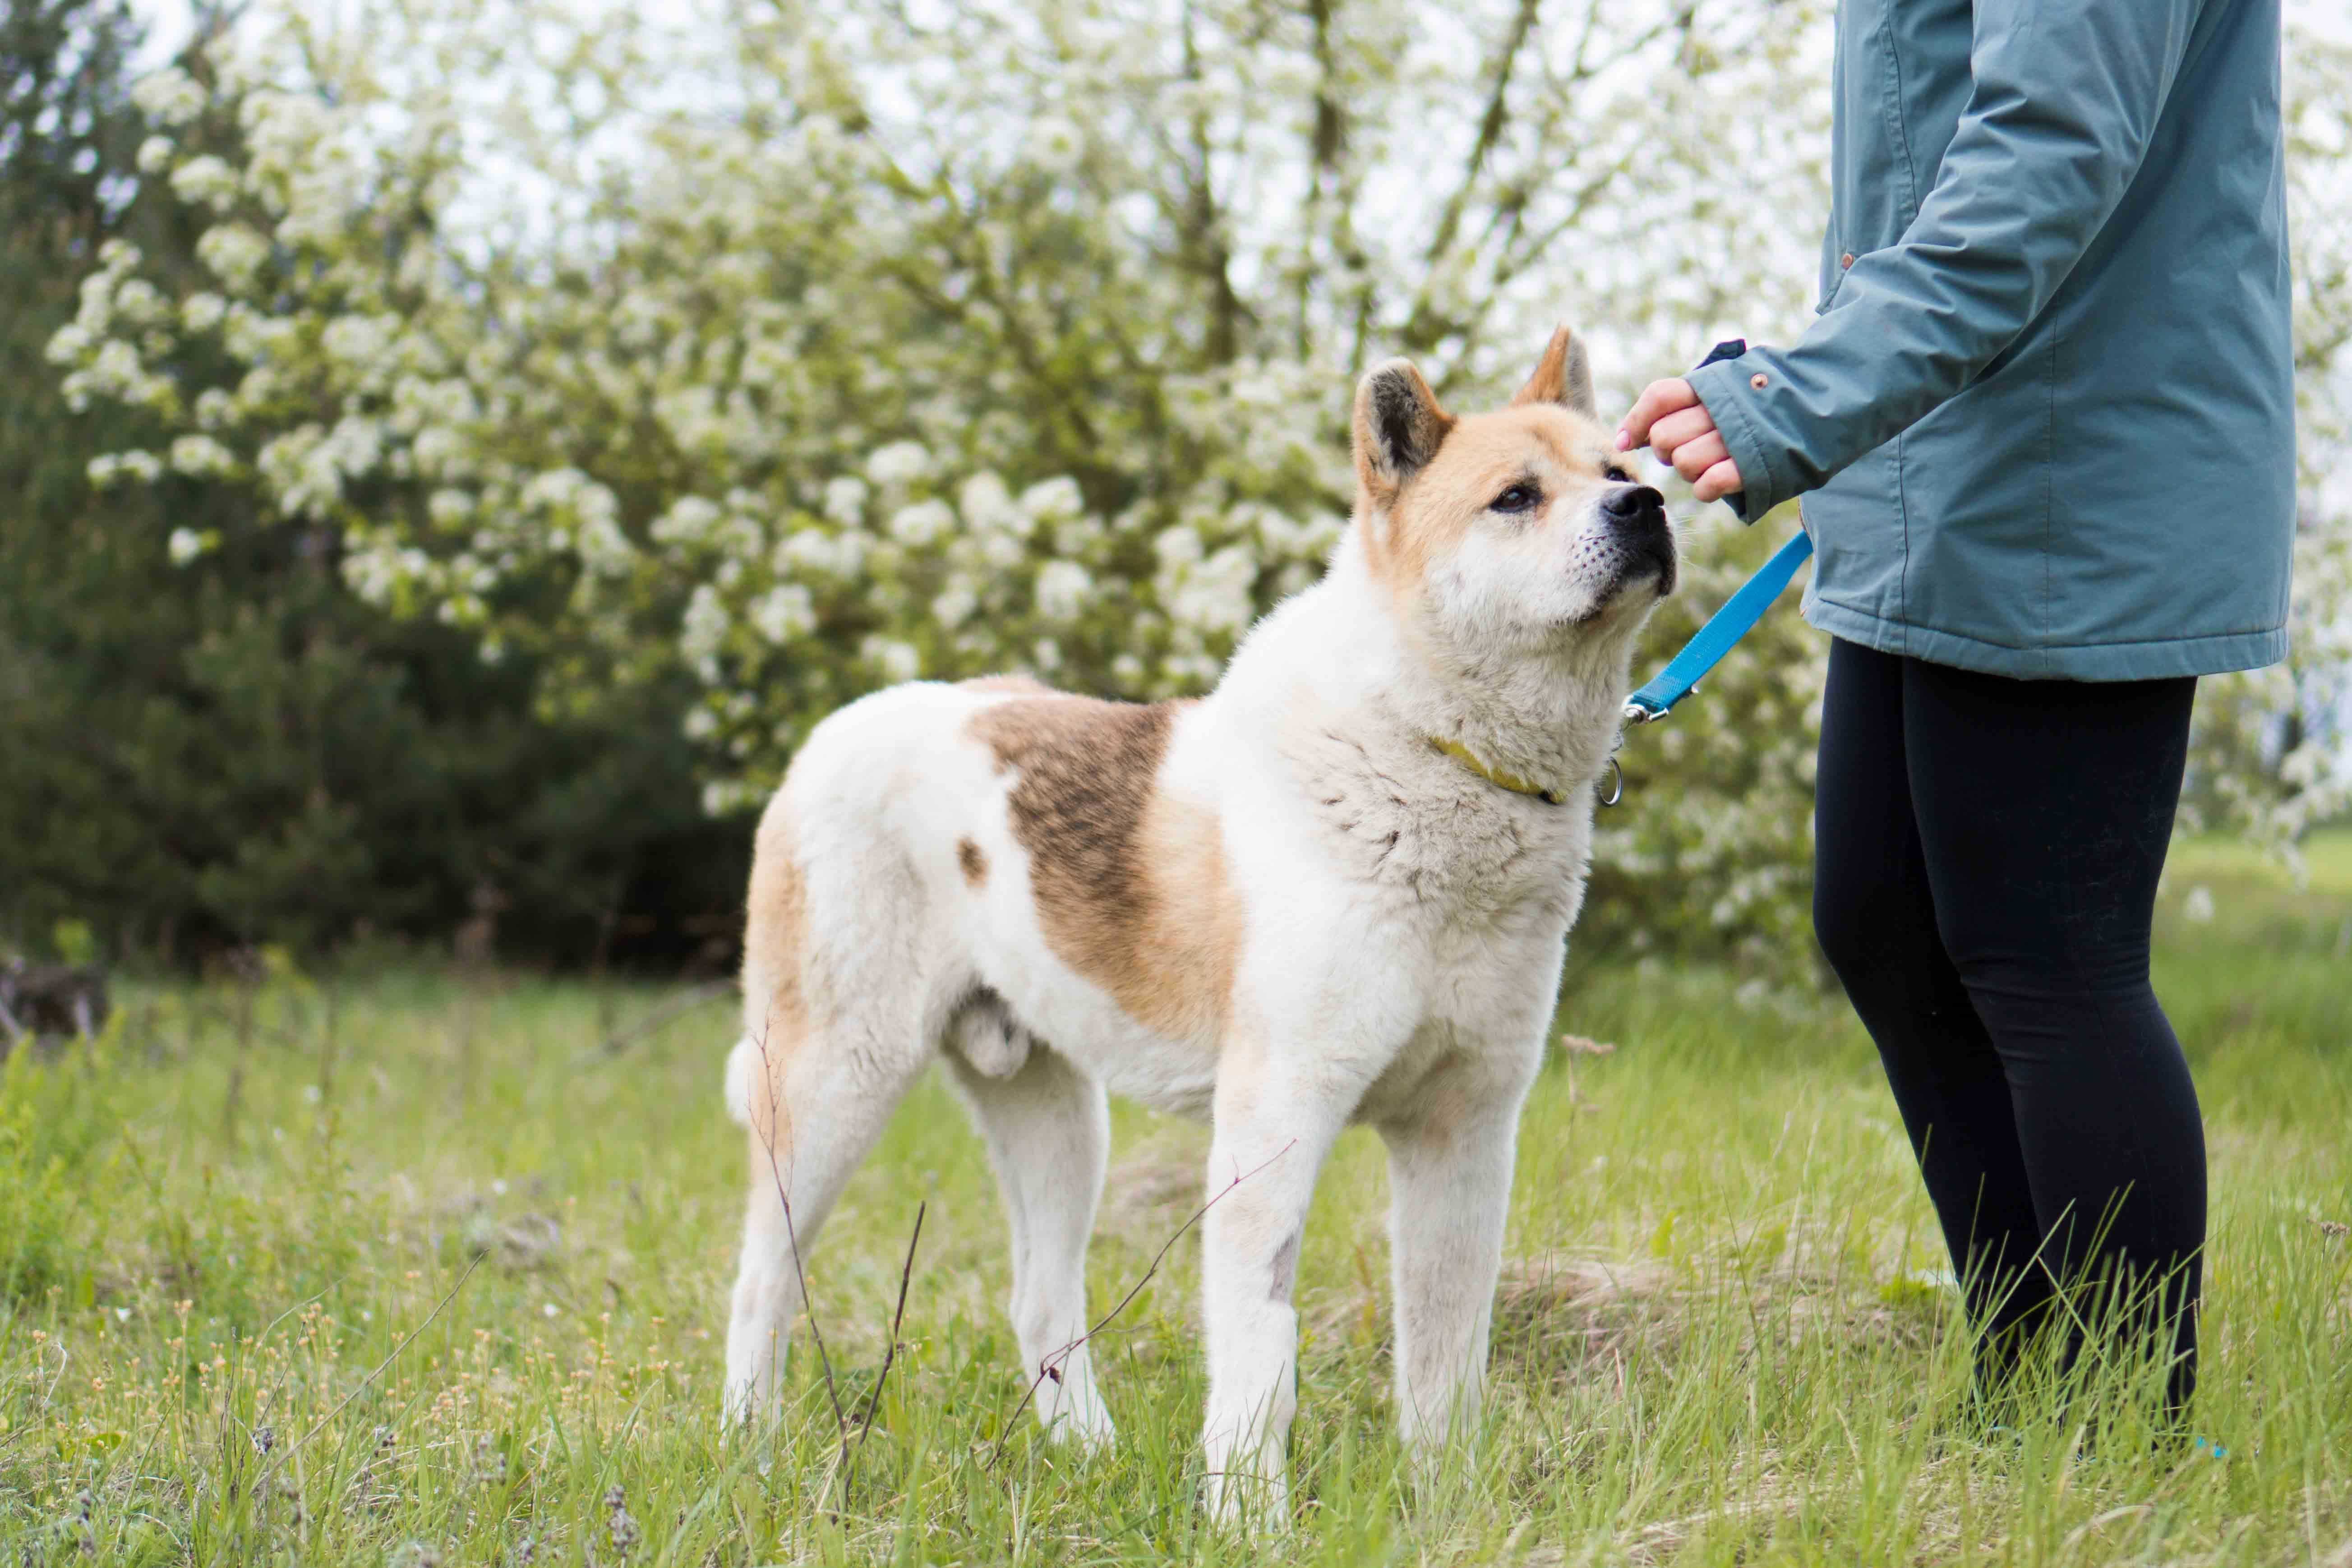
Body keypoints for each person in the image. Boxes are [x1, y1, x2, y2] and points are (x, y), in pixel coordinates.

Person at [1617, 0, 2293, 1423]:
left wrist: (1797, 402)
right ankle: (2028, 1374)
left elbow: (2043, 159)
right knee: (1882, 914)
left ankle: (2116, 1435)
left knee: (2048, 960)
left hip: (2073, 469)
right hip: (1946, 463)